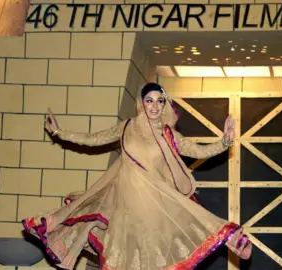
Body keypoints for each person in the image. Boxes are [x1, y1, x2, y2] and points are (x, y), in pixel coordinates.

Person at [22, 83, 252, 270]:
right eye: (149, 100)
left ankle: (232, 240)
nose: (154, 105)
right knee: (123, 255)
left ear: (164, 105)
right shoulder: (127, 127)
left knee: (169, 241)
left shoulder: (169, 135)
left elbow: (198, 151)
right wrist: (61, 133)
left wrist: (224, 142)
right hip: (126, 202)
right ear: (141, 103)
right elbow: (93, 138)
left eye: (159, 101)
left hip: (156, 202)